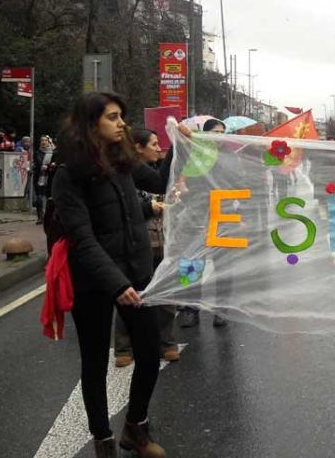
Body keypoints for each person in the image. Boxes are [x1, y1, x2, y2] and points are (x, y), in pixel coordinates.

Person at [52, 92, 187, 458]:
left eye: (122, 116)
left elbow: (160, 182)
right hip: (95, 282)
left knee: (148, 353)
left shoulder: (123, 161)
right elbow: (82, 238)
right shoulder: (69, 174)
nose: (121, 123)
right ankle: (103, 441)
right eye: (113, 117)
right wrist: (117, 283)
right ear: (91, 123)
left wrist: (178, 145)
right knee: (94, 362)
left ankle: (135, 429)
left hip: (137, 274)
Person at [114, 129, 180, 367]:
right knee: (130, 294)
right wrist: (149, 208)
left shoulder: (156, 172)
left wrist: (178, 145)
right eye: (153, 144)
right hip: (135, 244)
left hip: (164, 241)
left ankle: (167, 343)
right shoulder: (120, 171)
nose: (158, 148)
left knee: (166, 292)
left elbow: (164, 184)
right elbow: (122, 209)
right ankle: (123, 347)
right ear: (138, 148)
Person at [179, 117, 229, 329]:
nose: (219, 137)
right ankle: (190, 309)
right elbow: (181, 182)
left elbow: (240, 184)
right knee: (191, 263)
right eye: (215, 133)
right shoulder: (193, 155)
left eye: (222, 133)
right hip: (197, 217)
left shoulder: (229, 157)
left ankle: (221, 310)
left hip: (224, 218)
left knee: (224, 267)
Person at [33, 136, 55, 224]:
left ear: (49, 142)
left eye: (45, 140)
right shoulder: (37, 152)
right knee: (39, 197)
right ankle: (40, 217)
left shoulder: (53, 152)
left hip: (50, 177)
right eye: (42, 140)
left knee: (49, 198)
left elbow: (55, 163)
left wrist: (49, 166)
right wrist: (47, 166)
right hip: (39, 177)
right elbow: (38, 163)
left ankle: (48, 217)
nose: (43, 142)